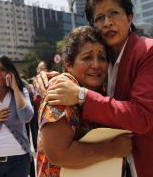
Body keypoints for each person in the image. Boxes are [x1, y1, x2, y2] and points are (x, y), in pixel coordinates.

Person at [35, 0, 153, 176]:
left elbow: (141, 116)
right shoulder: (104, 63)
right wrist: (52, 77)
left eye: (114, 13)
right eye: (99, 18)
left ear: (129, 17)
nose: (107, 23)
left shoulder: (151, 51)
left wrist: (81, 96)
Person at [37, 25, 132, 177]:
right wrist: (113, 149)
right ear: (68, 64)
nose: (96, 65)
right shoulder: (61, 92)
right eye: (87, 57)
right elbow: (59, 153)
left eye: (102, 57)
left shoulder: (102, 91)